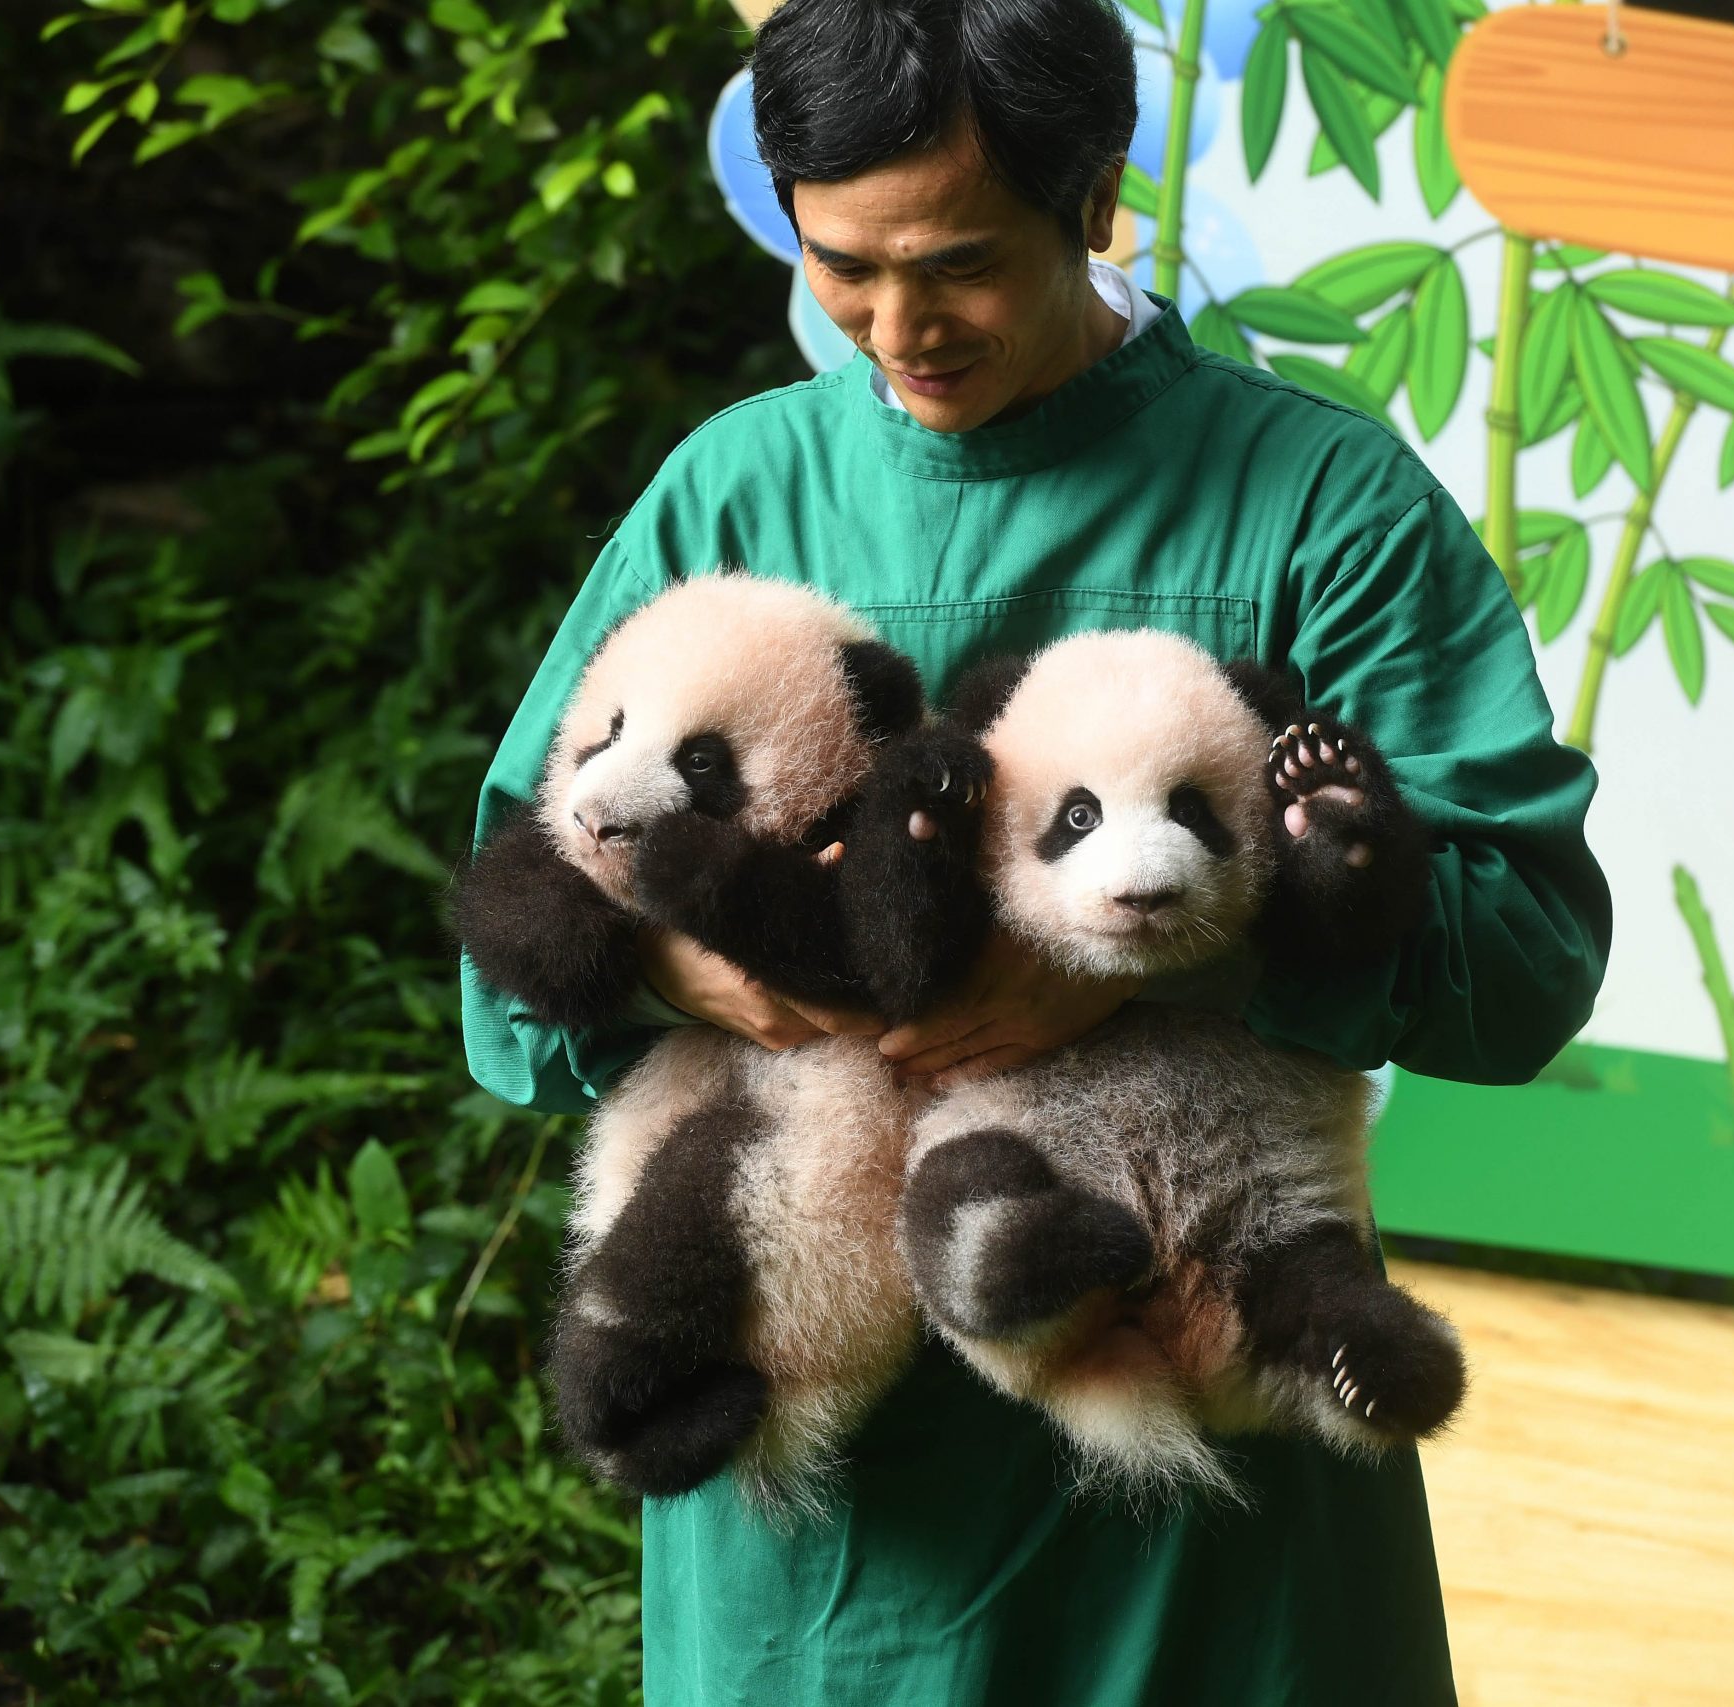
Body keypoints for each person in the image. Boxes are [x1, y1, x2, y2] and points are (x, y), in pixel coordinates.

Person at [458, 0, 1612, 1699]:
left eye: (957, 265)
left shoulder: (1319, 508)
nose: (899, 326)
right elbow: (510, 995)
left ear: (1093, 198)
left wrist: (1158, 949)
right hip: (828, 1497)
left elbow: (1523, 961)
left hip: (1198, 1454)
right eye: (844, 264)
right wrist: (673, 951)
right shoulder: (729, 495)